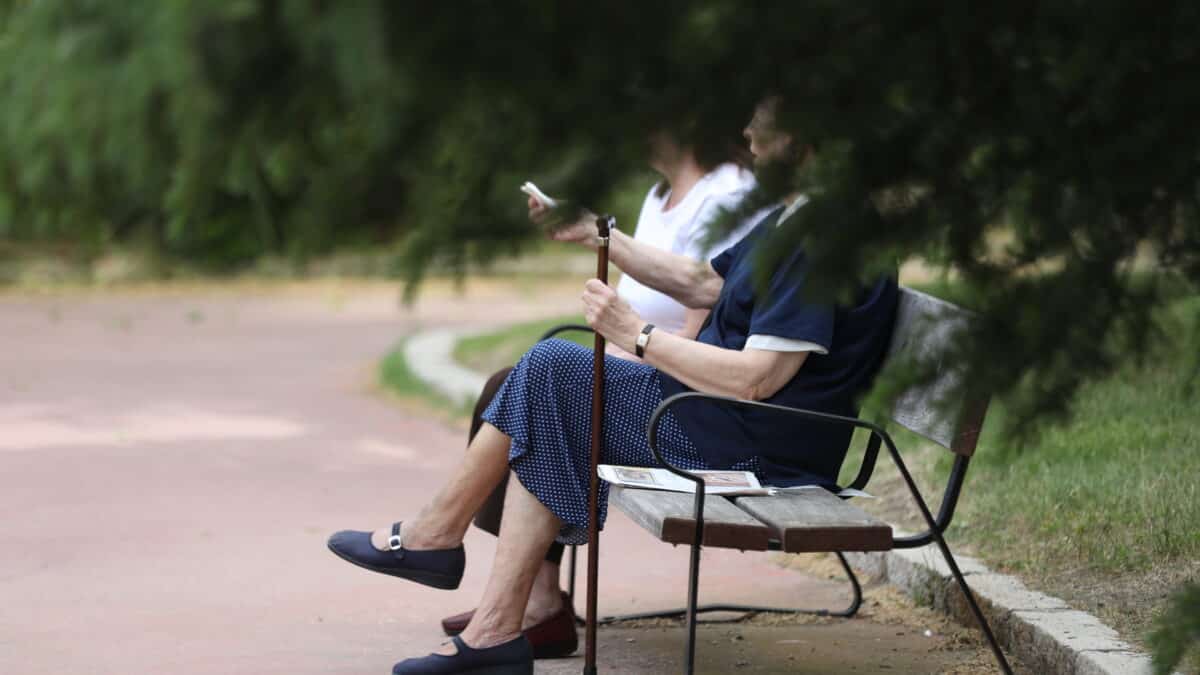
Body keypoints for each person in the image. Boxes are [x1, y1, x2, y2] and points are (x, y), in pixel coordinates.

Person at [327, 98, 900, 674]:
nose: (747, 133)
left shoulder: (826, 238)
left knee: (554, 370)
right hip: (713, 420)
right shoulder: (798, 219)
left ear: (807, 141)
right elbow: (703, 284)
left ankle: (453, 563)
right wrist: (600, 235)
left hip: (755, 450)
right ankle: (485, 611)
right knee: (549, 379)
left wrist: (639, 334)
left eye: (762, 123)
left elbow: (757, 379)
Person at [435, 125, 762, 659]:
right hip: (654, 367)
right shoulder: (661, 197)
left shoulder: (725, 193)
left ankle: (510, 588)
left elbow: (707, 319)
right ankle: (527, 597)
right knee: (527, 378)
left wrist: (629, 347)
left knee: (539, 381)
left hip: (688, 391)